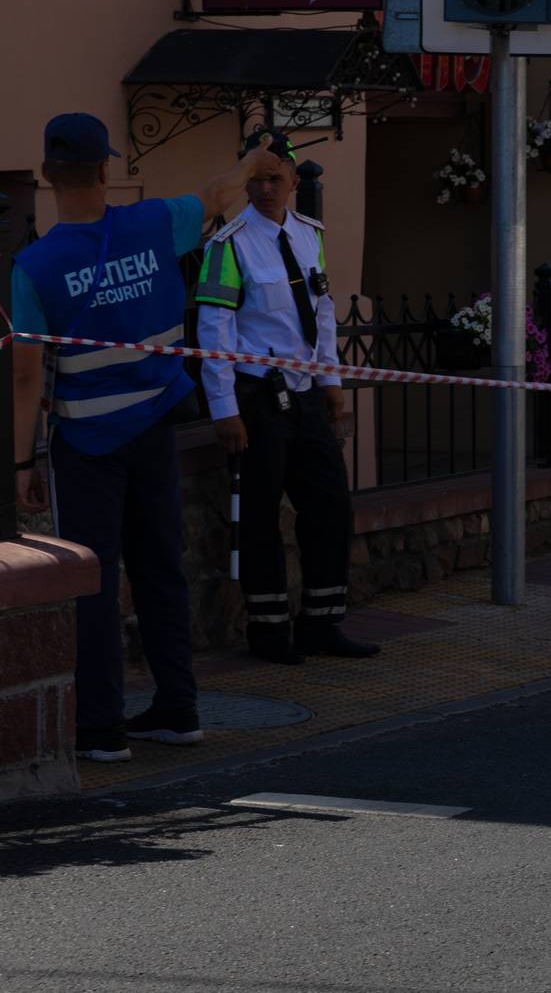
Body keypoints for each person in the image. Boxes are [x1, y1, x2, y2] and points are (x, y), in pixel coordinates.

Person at [9, 113, 283, 762]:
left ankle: (101, 729)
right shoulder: (156, 223)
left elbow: (25, 376)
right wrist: (252, 162)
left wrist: (21, 461)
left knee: (93, 580)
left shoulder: (34, 265)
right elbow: (220, 193)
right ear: (106, 169)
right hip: (157, 428)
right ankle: (179, 707)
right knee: (163, 567)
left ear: (48, 177)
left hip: (88, 444)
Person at [195, 130, 377, 665]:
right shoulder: (226, 244)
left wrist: (331, 381)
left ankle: (322, 623)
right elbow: (214, 329)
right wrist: (224, 407)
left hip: (303, 393)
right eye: (257, 178)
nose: (267, 188)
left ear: (295, 182)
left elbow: (321, 313)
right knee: (259, 516)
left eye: (276, 178)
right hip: (256, 396)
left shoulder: (308, 234)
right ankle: (269, 631)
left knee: (329, 506)